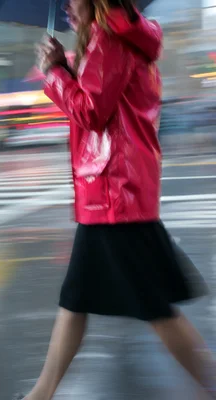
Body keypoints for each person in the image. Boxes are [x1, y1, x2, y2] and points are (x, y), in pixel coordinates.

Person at [20, 1, 216, 399]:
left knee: (154, 309)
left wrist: (56, 72)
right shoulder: (113, 38)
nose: (66, 9)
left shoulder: (110, 40)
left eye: (73, 0)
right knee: (76, 300)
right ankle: (41, 393)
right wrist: (68, 67)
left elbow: (91, 112)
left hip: (115, 195)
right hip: (113, 193)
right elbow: (103, 103)